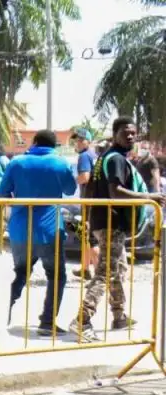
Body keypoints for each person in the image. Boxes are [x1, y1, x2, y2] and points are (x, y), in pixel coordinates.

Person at [70, 117, 166, 342]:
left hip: (105, 222)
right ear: (115, 135)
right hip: (111, 223)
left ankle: (119, 315)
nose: (130, 136)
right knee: (105, 272)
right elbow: (116, 192)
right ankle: (82, 320)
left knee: (119, 267)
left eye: (133, 133)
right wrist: (149, 196)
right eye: (125, 133)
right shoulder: (115, 160)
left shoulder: (106, 157)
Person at [0, 130, 77, 335]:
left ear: (34, 142)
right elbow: (70, 190)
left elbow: (1, 192)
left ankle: (0, 315)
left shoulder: (16, 162)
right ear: (54, 146)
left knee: (20, 273)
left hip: (19, 230)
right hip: (49, 230)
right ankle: (47, 321)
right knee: (56, 275)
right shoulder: (61, 163)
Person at [72, 129, 101, 280]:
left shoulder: (84, 156)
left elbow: (85, 177)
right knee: (84, 234)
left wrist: (71, 181)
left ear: (87, 141)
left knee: (90, 237)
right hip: (94, 201)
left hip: (88, 202)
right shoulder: (94, 155)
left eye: (80, 140)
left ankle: (99, 275)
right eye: (76, 140)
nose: (77, 142)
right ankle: (85, 268)